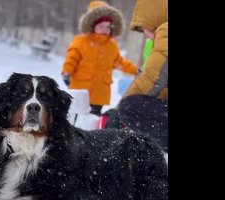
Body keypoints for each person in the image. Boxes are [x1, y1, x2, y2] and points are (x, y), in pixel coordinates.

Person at [106, 0, 168, 153]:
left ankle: (154, 151)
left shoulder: (166, 30)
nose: (145, 34)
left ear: (156, 15)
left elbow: (153, 79)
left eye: (144, 27)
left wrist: (119, 109)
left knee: (130, 106)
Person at [62, 1, 140, 116]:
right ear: (92, 25)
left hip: (100, 92)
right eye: (101, 26)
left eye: (108, 26)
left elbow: (120, 62)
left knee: (93, 119)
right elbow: (72, 58)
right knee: (76, 116)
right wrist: (67, 72)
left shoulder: (112, 45)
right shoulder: (81, 41)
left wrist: (135, 70)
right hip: (81, 89)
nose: (105, 29)